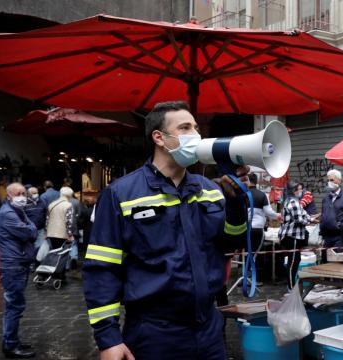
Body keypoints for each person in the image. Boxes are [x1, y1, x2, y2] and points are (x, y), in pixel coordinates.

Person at [82, 101, 248, 360]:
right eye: (185, 128)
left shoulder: (211, 190)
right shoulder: (120, 194)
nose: (195, 135)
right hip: (154, 333)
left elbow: (230, 244)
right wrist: (108, 338)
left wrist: (237, 203)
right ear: (159, 137)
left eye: (195, 128)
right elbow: (102, 268)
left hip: (210, 329)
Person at [0, 182, 38, 358]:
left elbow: (31, 227)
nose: (22, 196)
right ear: (9, 195)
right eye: (18, 193)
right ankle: (11, 346)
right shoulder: (8, 214)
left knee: (15, 305)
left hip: (18, 263)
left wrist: (30, 227)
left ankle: (11, 341)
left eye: (23, 193)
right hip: (13, 265)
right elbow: (30, 233)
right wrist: (31, 228)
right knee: (14, 305)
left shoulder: (17, 211)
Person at [279, 180, 316, 289]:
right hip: (292, 236)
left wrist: (312, 218)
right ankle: (291, 288)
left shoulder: (295, 201)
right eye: (299, 189)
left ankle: (292, 286)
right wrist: (310, 221)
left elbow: (304, 214)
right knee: (293, 262)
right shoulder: (292, 202)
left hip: (294, 236)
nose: (301, 191)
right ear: (293, 191)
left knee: (296, 260)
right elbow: (299, 219)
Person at [319, 169, 343, 249]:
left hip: (340, 237)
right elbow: (323, 217)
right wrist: (321, 236)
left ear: (339, 181)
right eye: (328, 180)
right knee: (325, 260)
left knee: (338, 260)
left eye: (332, 180)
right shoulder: (326, 198)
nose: (329, 182)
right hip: (327, 237)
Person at [248, 173, 280, 251]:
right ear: (256, 182)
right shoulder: (262, 195)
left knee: (245, 252)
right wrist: (278, 215)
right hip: (258, 228)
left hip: (245, 228)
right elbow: (269, 212)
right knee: (257, 252)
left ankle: (244, 263)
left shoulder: (243, 194)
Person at [24, 186, 47, 252]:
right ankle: (31, 261)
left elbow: (46, 215)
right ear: (29, 194)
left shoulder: (42, 202)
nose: (36, 194)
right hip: (29, 229)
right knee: (30, 246)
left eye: (36, 193)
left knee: (40, 247)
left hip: (40, 229)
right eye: (33, 193)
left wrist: (46, 229)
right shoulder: (25, 203)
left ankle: (37, 261)